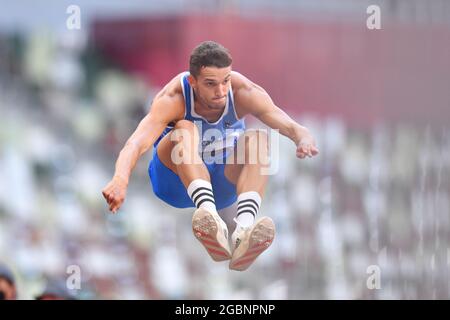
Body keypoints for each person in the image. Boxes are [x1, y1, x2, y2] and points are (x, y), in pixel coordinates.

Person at [102, 41, 319, 271]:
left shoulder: (243, 92)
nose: (221, 92)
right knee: (184, 129)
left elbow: (288, 123)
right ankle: (210, 218)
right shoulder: (173, 97)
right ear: (192, 82)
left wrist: (302, 137)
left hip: (221, 185)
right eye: (211, 84)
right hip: (174, 182)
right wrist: (120, 179)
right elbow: (135, 143)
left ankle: (242, 233)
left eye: (225, 81)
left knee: (258, 139)